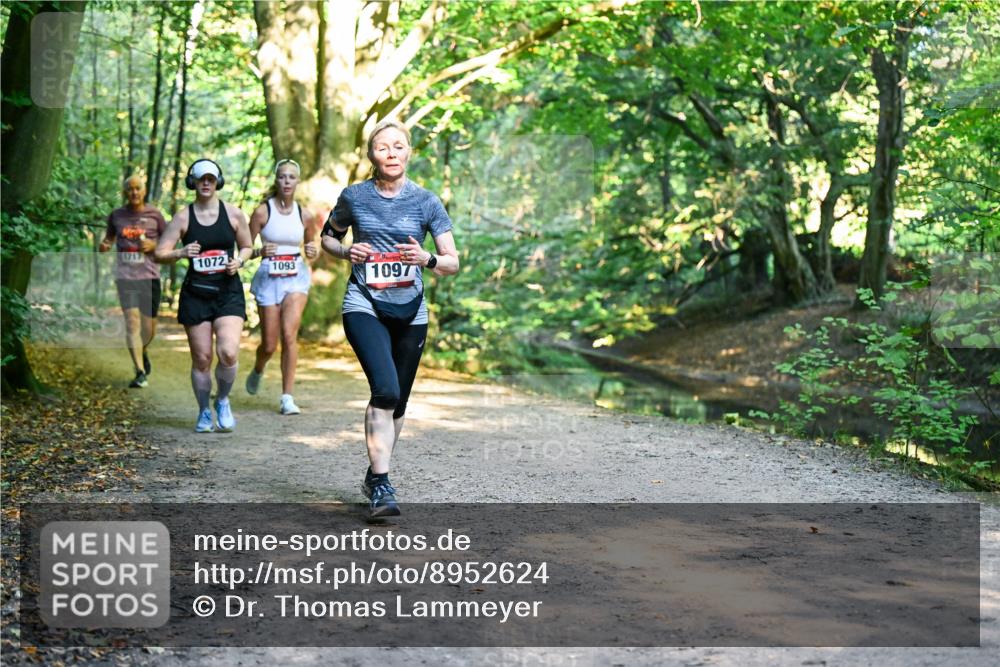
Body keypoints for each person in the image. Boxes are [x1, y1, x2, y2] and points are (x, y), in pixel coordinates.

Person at [321, 119, 459, 518]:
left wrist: (427, 259)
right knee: (385, 390)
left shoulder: (426, 201)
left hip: (411, 309)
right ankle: (382, 486)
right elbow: (329, 237)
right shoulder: (354, 196)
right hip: (363, 302)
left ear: (409, 152)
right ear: (371, 155)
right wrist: (347, 252)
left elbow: (452, 261)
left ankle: (374, 473)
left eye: (399, 146)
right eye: (383, 147)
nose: (392, 153)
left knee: (397, 403)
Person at [155, 159, 252, 433]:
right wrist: (180, 253)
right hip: (196, 295)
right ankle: (203, 412)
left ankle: (222, 399)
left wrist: (240, 261)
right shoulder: (183, 217)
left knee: (228, 352)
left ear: (218, 181)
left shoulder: (233, 214)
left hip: (228, 291)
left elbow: (246, 246)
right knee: (202, 358)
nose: (206, 183)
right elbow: (160, 253)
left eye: (211, 178)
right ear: (193, 183)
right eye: (201, 179)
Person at [245, 159, 319, 415]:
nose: (287, 181)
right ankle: (258, 367)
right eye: (282, 177)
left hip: (296, 277)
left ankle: (287, 397)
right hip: (268, 277)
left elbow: (312, 249)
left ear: (298, 181)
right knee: (268, 344)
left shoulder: (304, 214)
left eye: (291, 177)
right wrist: (259, 251)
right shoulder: (262, 212)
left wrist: (312, 250)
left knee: (289, 335)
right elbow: (244, 248)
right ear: (276, 180)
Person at [99, 174, 167, 389]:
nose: (134, 193)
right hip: (126, 277)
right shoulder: (116, 215)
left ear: (144, 191)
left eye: (138, 189)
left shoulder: (155, 215)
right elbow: (109, 237)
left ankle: (143, 350)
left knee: (148, 329)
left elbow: (169, 242)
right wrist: (105, 244)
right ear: (125, 192)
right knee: (132, 323)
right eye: (130, 189)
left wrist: (154, 246)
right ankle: (139, 371)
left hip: (149, 276)